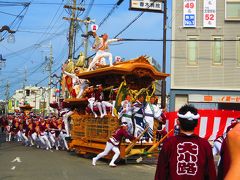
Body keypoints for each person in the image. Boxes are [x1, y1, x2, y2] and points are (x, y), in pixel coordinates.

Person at [155, 104, 216, 180]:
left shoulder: (169, 143)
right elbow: (211, 174)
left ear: (178, 122)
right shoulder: (205, 145)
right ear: (197, 123)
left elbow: (161, 173)